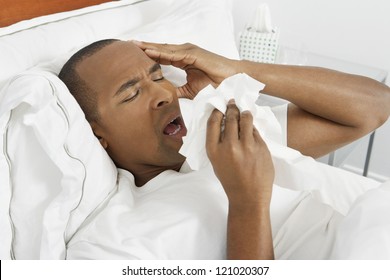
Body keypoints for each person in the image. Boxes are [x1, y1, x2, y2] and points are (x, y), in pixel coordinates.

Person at [58, 39, 390, 260]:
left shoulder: (223, 135)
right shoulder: (113, 244)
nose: (163, 95)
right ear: (95, 133)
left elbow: (373, 108)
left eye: (158, 76)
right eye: (130, 95)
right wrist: (247, 202)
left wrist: (238, 70)